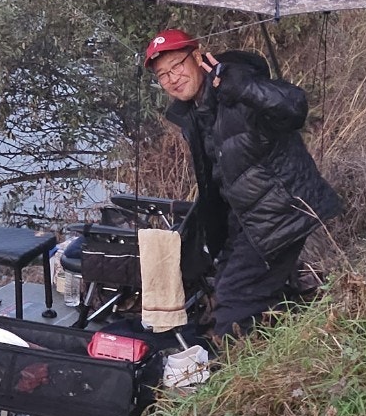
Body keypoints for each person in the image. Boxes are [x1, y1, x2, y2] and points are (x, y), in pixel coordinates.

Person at [145, 28, 342, 339]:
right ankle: (297, 335)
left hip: (282, 209)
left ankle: (238, 374)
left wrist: (245, 88)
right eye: (163, 75)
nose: (172, 78)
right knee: (225, 282)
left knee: (235, 302)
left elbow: (294, 107)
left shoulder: (235, 85)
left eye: (177, 65)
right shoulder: (196, 110)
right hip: (247, 213)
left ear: (197, 57)